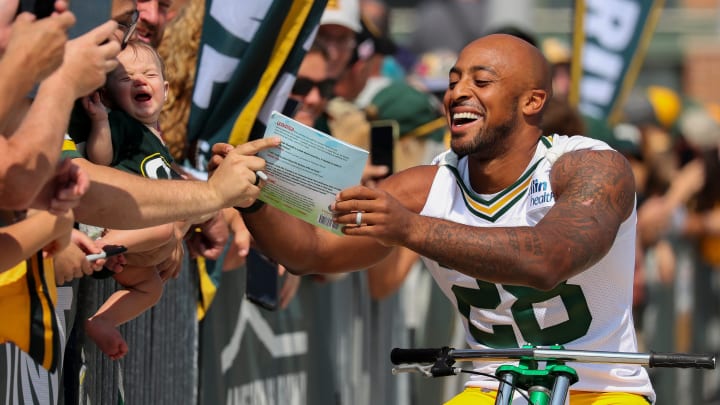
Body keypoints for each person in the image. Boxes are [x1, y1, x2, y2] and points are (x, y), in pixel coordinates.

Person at [232, 34, 656, 403]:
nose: (458, 93)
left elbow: (550, 260)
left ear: (532, 100)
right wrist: (253, 198)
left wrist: (411, 229)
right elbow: (313, 251)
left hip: (601, 390)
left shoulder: (591, 165)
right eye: (454, 82)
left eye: (481, 82)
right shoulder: (428, 184)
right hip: (490, 389)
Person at [78, 40, 198, 360]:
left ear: (167, 90)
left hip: (133, 248)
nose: (140, 80)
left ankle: (102, 320)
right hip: (106, 227)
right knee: (162, 229)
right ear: (106, 95)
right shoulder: (122, 124)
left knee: (151, 289)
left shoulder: (157, 139)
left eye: (149, 74)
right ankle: (104, 250)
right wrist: (101, 121)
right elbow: (100, 158)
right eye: (126, 78)